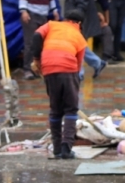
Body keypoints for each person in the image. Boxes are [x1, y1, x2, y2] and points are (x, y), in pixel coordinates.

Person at [31, 9, 87, 160]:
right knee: (71, 110)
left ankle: (56, 150)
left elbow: (36, 36)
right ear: (79, 23)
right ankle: (66, 149)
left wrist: (37, 59)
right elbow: (78, 66)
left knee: (55, 110)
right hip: (69, 70)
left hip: (48, 68)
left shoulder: (51, 25)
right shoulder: (80, 38)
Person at [63, 0, 110, 78]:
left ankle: (80, 73)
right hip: (81, 20)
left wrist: (75, 19)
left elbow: (81, 4)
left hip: (80, 21)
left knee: (77, 45)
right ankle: (97, 63)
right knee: (80, 45)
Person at [19, 0, 60, 80]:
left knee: (41, 44)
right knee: (30, 43)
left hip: (44, 15)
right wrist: (23, 11)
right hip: (31, 15)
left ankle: (38, 69)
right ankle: (27, 69)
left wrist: (55, 11)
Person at [88, 0, 117, 65]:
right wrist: (97, 14)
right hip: (83, 22)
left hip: (94, 21)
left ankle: (107, 57)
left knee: (107, 30)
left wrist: (107, 21)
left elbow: (105, 6)